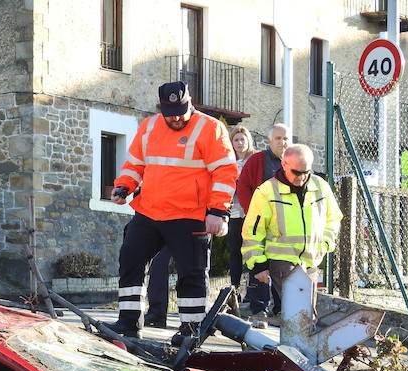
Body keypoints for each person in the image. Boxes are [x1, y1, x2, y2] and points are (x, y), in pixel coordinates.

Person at [104, 81, 237, 345]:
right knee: (130, 258)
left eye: (181, 111)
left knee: (192, 272)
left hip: (190, 213)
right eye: (169, 112)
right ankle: (128, 323)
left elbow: (225, 172)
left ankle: (191, 331)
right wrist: (124, 186)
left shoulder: (210, 128)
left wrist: (218, 211)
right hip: (150, 210)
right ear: (160, 108)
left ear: (189, 103)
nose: (175, 118)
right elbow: (135, 163)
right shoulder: (150, 126)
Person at [241, 144, 342, 316]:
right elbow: (253, 230)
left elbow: (333, 219)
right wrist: (258, 264)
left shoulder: (321, 187)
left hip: (310, 261)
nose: (302, 178)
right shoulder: (267, 191)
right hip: (281, 261)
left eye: (306, 172)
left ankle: (293, 340)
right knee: (301, 312)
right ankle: (299, 339)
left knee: (303, 313)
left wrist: (325, 243)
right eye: (296, 172)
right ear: (284, 164)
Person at [236, 123, 292, 323]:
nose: (283, 142)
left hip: (284, 228)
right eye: (278, 138)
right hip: (260, 223)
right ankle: (259, 307)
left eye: (286, 138)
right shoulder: (258, 160)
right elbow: (243, 186)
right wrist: (251, 213)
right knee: (259, 264)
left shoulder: (293, 161)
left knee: (280, 267)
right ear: (270, 141)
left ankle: (279, 307)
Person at [227, 125, 255, 299]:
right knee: (234, 252)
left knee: (253, 252)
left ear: (248, 141)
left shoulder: (254, 160)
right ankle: (234, 291)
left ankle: (252, 292)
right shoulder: (228, 161)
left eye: (242, 139)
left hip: (251, 212)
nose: (239, 143)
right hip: (233, 212)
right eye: (235, 140)